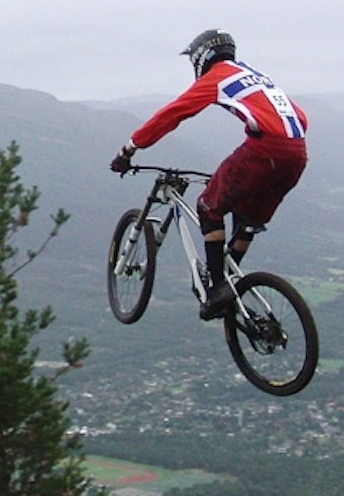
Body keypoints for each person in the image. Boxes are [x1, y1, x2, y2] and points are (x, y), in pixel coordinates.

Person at [110, 30, 308, 319]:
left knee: (208, 206)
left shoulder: (217, 77)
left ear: (203, 56)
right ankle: (229, 275)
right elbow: (299, 116)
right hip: (297, 153)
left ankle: (216, 289)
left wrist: (129, 149)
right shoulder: (255, 75)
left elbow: (173, 114)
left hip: (266, 149)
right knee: (247, 220)